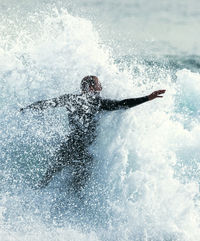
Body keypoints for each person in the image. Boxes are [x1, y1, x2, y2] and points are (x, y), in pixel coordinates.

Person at [21, 76, 165, 190]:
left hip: (69, 146)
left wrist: (26, 109)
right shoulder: (98, 103)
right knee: (76, 187)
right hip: (84, 151)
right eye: (98, 85)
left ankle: (34, 199)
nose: (101, 87)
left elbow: (46, 103)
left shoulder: (71, 99)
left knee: (47, 178)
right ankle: (69, 216)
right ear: (91, 87)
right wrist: (147, 98)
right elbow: (123, 104)